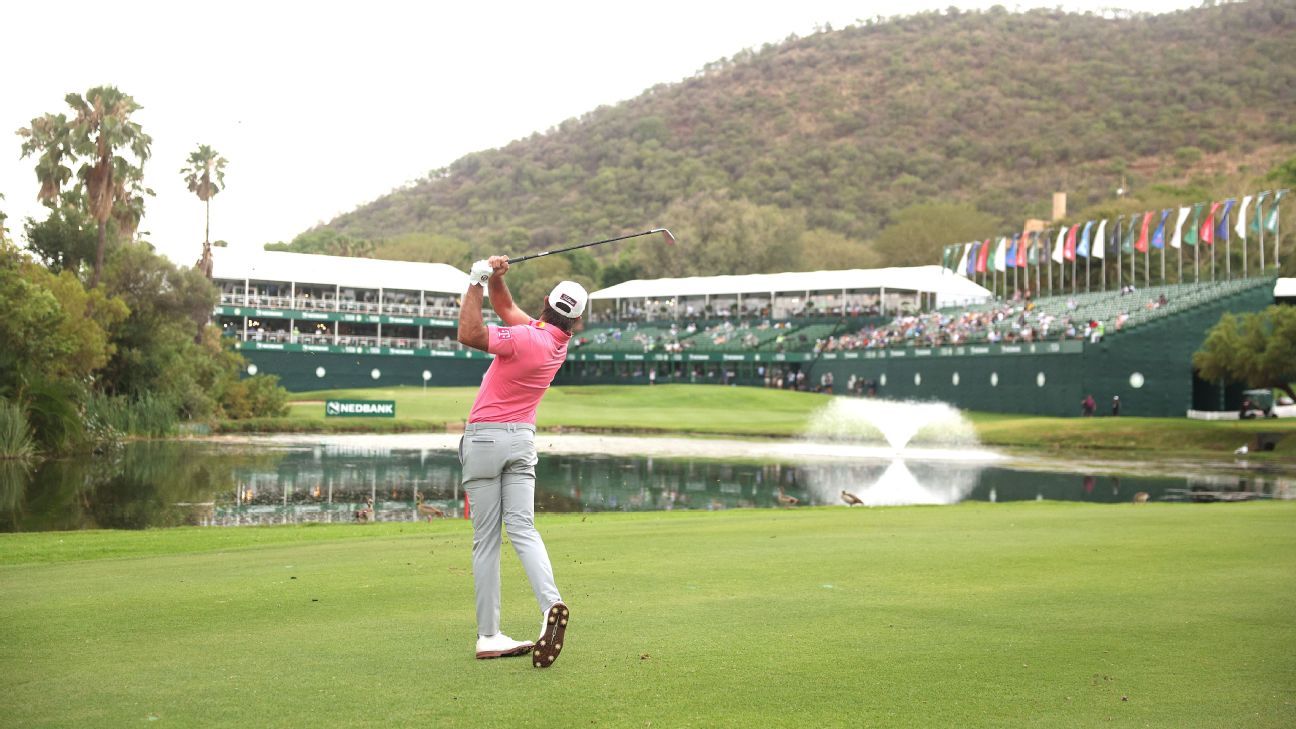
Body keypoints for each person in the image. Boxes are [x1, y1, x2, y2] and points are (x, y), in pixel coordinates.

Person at [456, 255, 575, 668]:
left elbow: (469, 332)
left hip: (486, 438)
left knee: (487, 540)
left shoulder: (526, 338)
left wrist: (475, 281)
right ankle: (551, 603)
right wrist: (497, 280)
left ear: (544, 301)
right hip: (522, 441)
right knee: (523, 527)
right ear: (574, 321)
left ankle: (489, 635)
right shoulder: (556, 342)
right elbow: (506, 308)